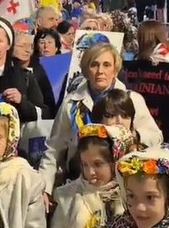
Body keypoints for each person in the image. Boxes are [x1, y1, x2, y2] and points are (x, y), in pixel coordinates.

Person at [39, 43, 162, 192]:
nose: (100, 71)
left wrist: (133, 136)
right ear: (86, 69)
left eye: (106, 65)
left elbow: (156, 137)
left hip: (123, 186)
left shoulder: (132, 99)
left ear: (115, 69)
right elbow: (54, 149)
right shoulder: (71, 103)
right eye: (94, 65)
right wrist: (44, 189)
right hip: (81, 186)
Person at [48, 124, 130, 228]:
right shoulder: (68, 197)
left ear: (115, 162)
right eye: (85, 165)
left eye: (98, 164)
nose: (91, 172)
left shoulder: (129, 196)